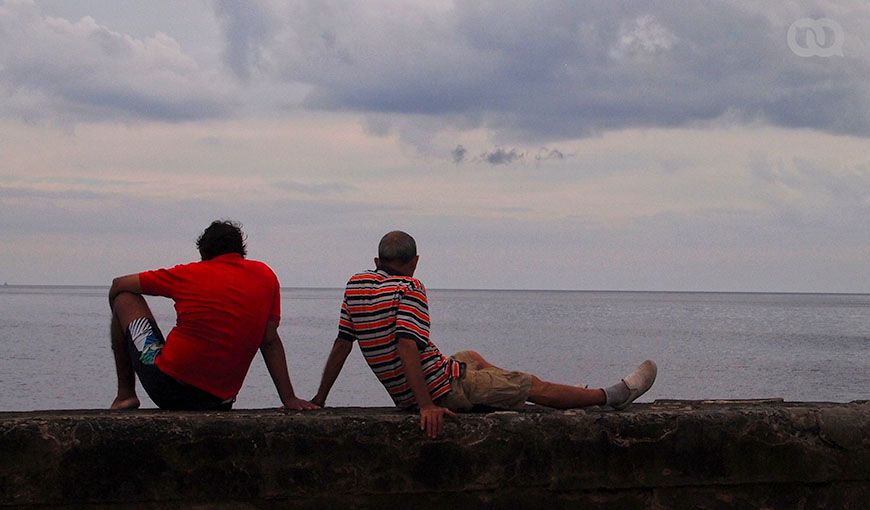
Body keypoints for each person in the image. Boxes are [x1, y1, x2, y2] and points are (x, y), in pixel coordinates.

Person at [311, 231, 657, 438]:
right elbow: (406, 345)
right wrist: (427, 405)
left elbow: (343, 343)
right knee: (534, 385)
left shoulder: (356, 285)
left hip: (424, 384)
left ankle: (499, 386)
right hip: (443, 390)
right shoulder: (410, 287)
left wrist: (320, 399)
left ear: (376, 259)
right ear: (415, 261)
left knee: (469, 356)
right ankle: (611, 396)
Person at [108, 220, 317, 411]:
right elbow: (270, 342)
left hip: (169, 390)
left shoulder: (187, 274)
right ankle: (127, 394)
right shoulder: (266, 276)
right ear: (240, 249)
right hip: (220, 402)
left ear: (203, 252)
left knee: (124, 298)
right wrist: (288, 398)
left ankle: (125, 395)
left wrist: (118, 327)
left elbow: (119, 284)